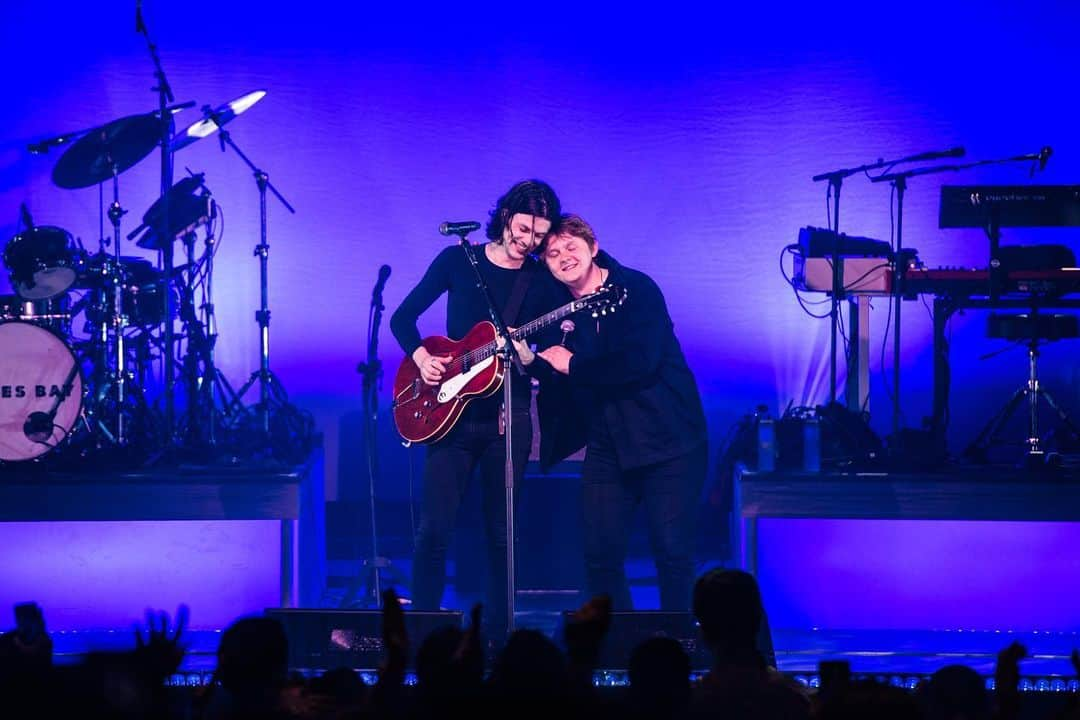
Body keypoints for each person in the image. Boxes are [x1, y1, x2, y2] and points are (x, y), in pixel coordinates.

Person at [389, 179, 562, 640]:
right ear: (505, 216)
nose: (529, 241)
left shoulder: (541, 280)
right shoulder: (458, 260)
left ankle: (500, 638)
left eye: (539, 235)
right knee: (433, 532)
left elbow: (550, 344)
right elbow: (402, 318)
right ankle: (423, 632)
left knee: (502, 537)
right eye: (523, 228)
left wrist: (531, 357)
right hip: (449, 417)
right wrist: (422, 358)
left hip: (508, 420)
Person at [519, 213, 708, 611]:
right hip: (609, 446)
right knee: (599, 556)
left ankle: (679, 651)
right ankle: (620, 648)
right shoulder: (558, 312)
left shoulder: (636, 289)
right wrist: (531, 362)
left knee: (672, 555)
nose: (563, 256)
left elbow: (639, 362)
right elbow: (557, 371)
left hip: (669, 441)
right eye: (553, 253)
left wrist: (572, 365)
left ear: (593, 247)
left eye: (571, 246)